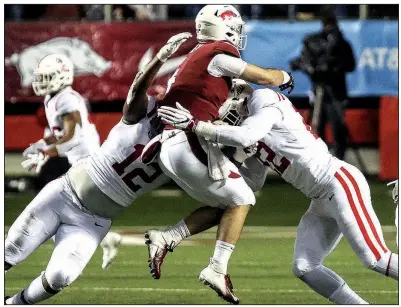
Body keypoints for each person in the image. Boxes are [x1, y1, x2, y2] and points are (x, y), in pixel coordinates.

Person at [157, 79, 398, 304]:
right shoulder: (251, 131)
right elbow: (252, 184)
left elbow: (245, 135)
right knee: (305, 266)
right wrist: (233, 164)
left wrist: (196, 126)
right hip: (319, 197)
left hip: (338, 182)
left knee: (375, 258)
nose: (220, 117)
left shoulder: (264, 100)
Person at [4, 32, 190, 305]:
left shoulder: (186, 149)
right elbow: (138, 90)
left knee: (61, 277)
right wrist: (161, 58)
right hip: (68, 190)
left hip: (95, 220)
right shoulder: (139, 115)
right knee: (11, 250)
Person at [144, 4, 294, 304]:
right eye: (235, 28)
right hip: (186, 141)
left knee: (232, 202)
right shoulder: (218, 56)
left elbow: (205, 104)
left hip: (174, 144)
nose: (239, 35)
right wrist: (284, 75)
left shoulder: (197, 58)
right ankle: (216, 268)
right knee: (243, 198)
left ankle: (167, 238)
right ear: (223, 28)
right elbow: (263, 77)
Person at [20, 54, 121, 270]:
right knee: (66, 214)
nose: (41, 82)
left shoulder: (67, 99)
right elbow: (60, 134)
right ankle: (106, 238)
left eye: (46, 77)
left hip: (88, 164)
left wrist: (46, 152)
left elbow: (71, 136)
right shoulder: (53, 98)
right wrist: (41, 145)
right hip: (79, 162)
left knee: (53, 209)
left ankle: (73, 255)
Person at [290, 6, 355, 160]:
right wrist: (313, 68)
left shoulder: (342, 44)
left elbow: (350, 65)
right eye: (327, 24)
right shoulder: (314, 41)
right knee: (316, 128)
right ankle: (318, 160)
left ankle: (339, 160)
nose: (330, 28)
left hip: (336, 92)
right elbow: (301, 62)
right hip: (318, 90)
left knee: (338, 128)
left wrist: (332, 67)